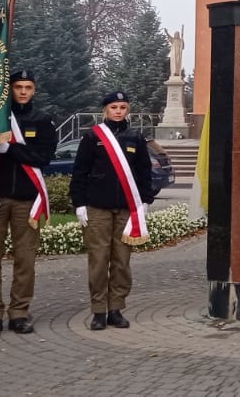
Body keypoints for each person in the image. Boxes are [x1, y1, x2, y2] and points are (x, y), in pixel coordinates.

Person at [0, 69, 55, 336]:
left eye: (28, 87)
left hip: (26, 200)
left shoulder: (42, 120)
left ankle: (20, 312)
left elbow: (42, 157)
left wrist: (11, 149)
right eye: (18, 86)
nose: (23, 91)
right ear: (9, 89)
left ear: (34, 90)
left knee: (25, 259)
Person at [71, 90, 158, 330]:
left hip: (126, 210)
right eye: (114, 107)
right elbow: (80, 172)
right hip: (97, 208)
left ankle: (116, 309)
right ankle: (98, 310)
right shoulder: (93, 137)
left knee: (121, 261)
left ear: (127, 110)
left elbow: (144, 173)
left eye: (122, 107)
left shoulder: (136, 138)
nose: (118, 111)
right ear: (106, 110)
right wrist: (79, 203)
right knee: (98, 261)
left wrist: (145, 200)